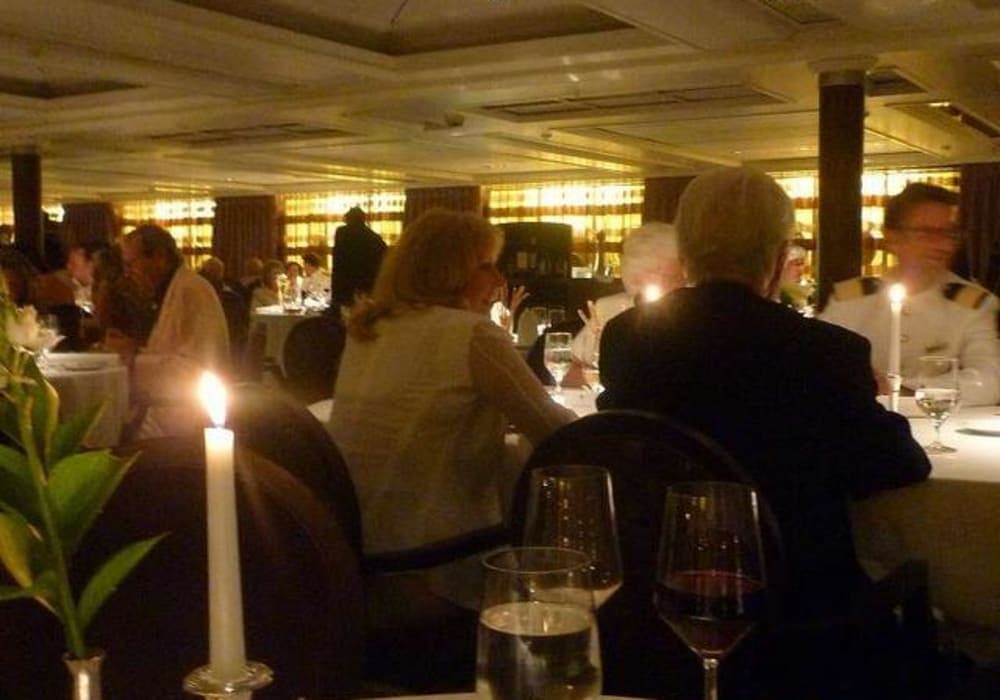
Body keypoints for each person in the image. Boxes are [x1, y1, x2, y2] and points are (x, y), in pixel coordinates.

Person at [598, 167, 932, 699]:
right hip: (800, 622)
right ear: (779, 258)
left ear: (686, 252)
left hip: (662, 601)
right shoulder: (827, 352)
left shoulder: (626, 339)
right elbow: (897, 465)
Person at [821, 182, 1000, 405]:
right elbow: (816, 363)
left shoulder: (972, 304)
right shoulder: (850, 300)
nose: (943, 245)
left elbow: (990, 380)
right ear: (892, 238)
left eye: (949, 234)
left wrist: (905, 390)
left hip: (937, 422)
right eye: (927, 233)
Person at [122, 224, 230, 438]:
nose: (129, 272)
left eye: (133, 263)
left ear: (159, 257)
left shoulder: (192, 291)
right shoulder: (171, 289)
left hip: (186, 413)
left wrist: (133, 360)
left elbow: (198, 369)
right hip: (166, 403)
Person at [571, 221, 683, 364]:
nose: (662, 283)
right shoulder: (607, 308)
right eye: (650, 275)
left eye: (670, 277)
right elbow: (573, 362)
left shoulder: (694, 316)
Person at [331, 206, 387, 308]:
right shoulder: (374, 237)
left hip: (346, 283)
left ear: (348, 218)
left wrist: (336, 294)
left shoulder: (342, 232)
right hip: (368, 283)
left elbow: (338, 262)